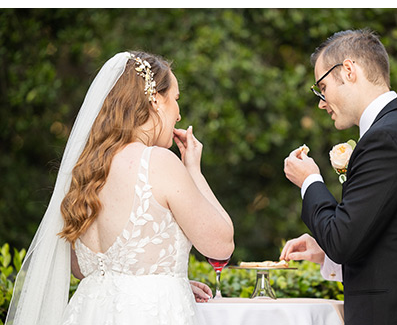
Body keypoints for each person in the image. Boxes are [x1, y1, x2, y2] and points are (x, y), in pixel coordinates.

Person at [5, 52, 234, 325]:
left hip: (87, 313)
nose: (179, 113)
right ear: (155, 100)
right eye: (176, 99)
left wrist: (167, 281)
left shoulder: (85, 170)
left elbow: (83, 269)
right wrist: (193, 170)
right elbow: (221, 245)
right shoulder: (158, 162)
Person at [278, 29, 397, 325]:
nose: (321, 102)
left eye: (323, 87)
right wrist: (326, 255)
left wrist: (310, 182)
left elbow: (342, 240)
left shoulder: (385, 140)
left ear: (348, 70)